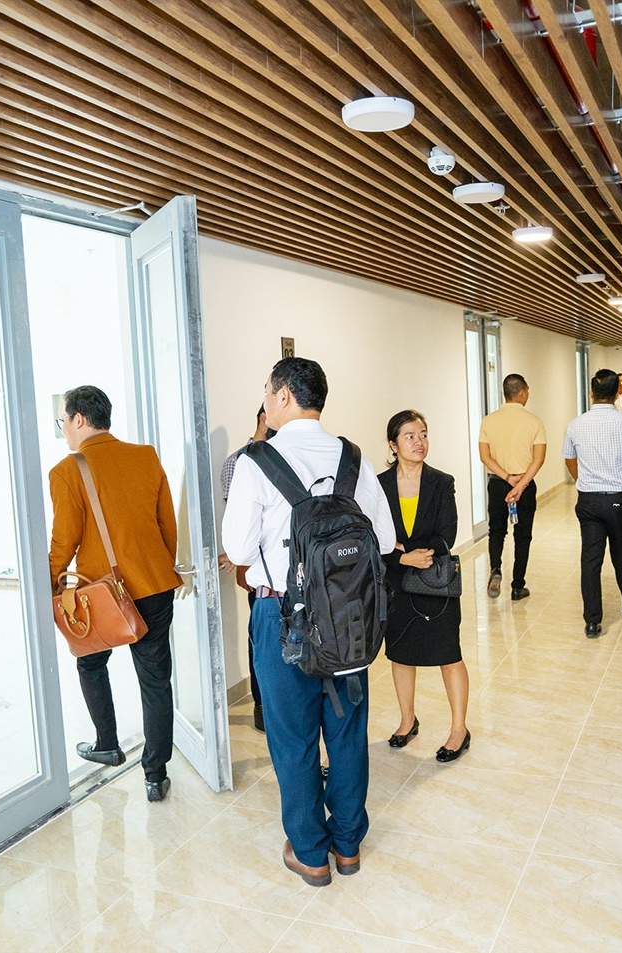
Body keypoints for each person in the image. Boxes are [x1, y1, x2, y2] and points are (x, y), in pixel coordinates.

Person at [221, 357, 396, 887]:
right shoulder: (354, 459)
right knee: (346, 731)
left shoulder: (257, 461)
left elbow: (236, 550)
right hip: (348, 617)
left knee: (293, 738)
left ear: (280, 397)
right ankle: (348, 845)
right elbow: (384, 543)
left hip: (282, 619)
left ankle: (310, 853)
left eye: (267, 392)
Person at [48, 385, 182, 802]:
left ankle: (106, 742)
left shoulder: (66, 471)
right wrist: (156, 568)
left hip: (99, 598)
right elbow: (167, 526)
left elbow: (63, 541)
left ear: (80, 420)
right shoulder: (145, 456)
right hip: (154, 587)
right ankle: (155, 774)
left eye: (63, 422)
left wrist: (49, 584)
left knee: (90, 664)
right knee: (155, 681)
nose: (64, 430)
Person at [378, 411, 469, 762]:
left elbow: (447, 533)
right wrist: (401, 558)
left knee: (449, 653)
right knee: (400, 654)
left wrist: (412, 552)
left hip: (435, 580)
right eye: (410, 436)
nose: (419, 442)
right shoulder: (379, 484)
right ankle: (407, 720)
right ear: (393, 445)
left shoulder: (441, 482)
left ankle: (459, 728)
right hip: (397, 582)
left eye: (424, 434)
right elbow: (375, 537)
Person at [563, 370, 622, 637]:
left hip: (589, 502)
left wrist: (582, 480)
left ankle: (592, 621)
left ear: (591, 393)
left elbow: (569, 458)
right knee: (621, 554)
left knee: (590, 561)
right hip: (620, 500)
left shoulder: (576, 424)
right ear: (617, 393)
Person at [217, 405, 274, 733]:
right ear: (266, 417)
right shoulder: (238, 462)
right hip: (257, 566)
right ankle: (263, 707)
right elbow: (237, 521)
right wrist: (241, 562)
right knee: (262, 639)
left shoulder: (288, 453)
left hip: (291, 565)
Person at [477, 374, 547, 601]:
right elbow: (538, 459)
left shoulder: (488, 421)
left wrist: (507, 478)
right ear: (522, 393)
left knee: (497, 531)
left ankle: (496, 569)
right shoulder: (534, 421)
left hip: (498, 484)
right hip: (524, 486)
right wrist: (520, 483)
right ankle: (518, 586)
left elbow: (485, 457)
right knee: (522, 535)